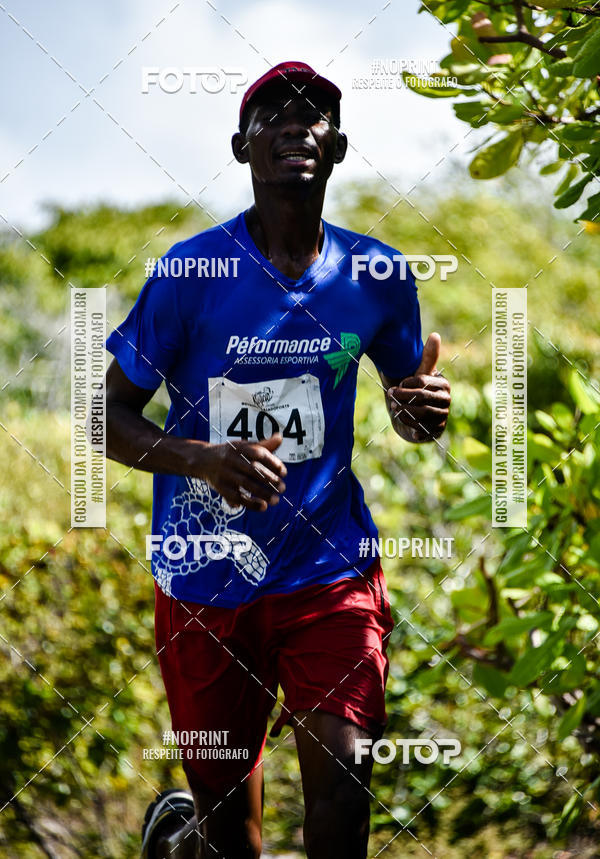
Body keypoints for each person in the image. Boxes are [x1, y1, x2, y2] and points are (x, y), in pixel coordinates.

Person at [105, 60, 451, 859]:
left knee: (344, 781)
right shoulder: (192, 275)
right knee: (234, 844)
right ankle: (181, 840)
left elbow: (410, 404)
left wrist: (421, 413)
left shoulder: (379, 275)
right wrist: (202, 459)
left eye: (316, 115)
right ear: (241, 146)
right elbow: (109, 417)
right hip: (206, 580)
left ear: (337, 149)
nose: (297, 124)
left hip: (329, 571)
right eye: (273, 114)